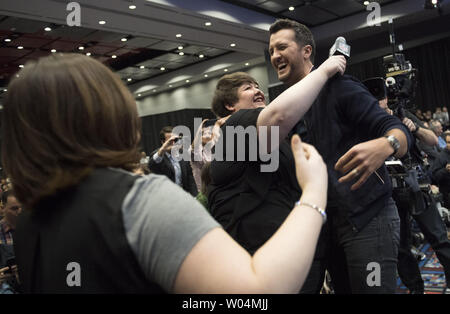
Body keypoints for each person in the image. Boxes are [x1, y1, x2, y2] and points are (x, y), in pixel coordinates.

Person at [3, 53, 331, 294]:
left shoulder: (30, 221)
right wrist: (314, 190)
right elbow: (256, 293)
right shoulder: (139, 201)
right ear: (114, 112)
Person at [268, 19, 412, 293]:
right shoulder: (289, 106)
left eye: (282, 47)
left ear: (307, 51)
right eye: (271, 50)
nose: (275, 56)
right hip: (326, 227)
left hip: (368, 219)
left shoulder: (341, 87)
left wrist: (385, 145)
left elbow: (398, 131)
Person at [208, 54, 345, 258]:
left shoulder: (280, 137)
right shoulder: (236, 124)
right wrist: (323, 71)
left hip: (292, 249)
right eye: (248, 88)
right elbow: (278, 115)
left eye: (257, 86)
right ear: (230, 105)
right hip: (259, 256)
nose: (258, 91)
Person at [148, 126, 198, 196]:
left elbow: (190, 178)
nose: (174, 143)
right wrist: (163, 149)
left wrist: (195, 196)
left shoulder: (182, 153)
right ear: (163, 142)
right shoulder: (158, 155)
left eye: (175, 140)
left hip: (184, 195)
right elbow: (151, 166)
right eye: (170, 141)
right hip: (166, 197)